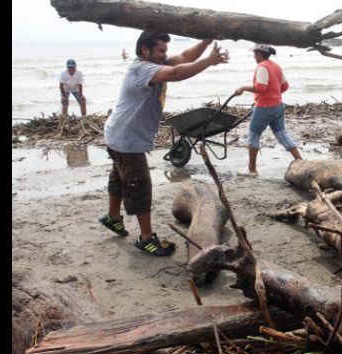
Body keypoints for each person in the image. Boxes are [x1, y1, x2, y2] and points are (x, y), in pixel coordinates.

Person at [99, 31, 229, 256]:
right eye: (160, 50)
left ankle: (113, 218)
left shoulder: (154, 63)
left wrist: (206, 41)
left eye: (165, 51)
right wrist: (209, 61)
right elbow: (178, 73)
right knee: (139, 185)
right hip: (127, 140)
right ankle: (146, 238)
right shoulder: (141, 69)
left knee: (119, 179)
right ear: (144, 50)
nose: (164, 55)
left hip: (117, 135)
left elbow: (185, 57)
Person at [233, 44, 302, 176]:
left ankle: (251, 170)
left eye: (254, 54)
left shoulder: (262, 66)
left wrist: (242, 88)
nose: (253, 56)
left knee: (253, 136)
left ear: (259, 54)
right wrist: (274, 94)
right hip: (278, 106)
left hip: (264, 107)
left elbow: (261, 87)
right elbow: (285, 86)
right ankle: (301, 162)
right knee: (282, 135)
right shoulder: (275, 66)